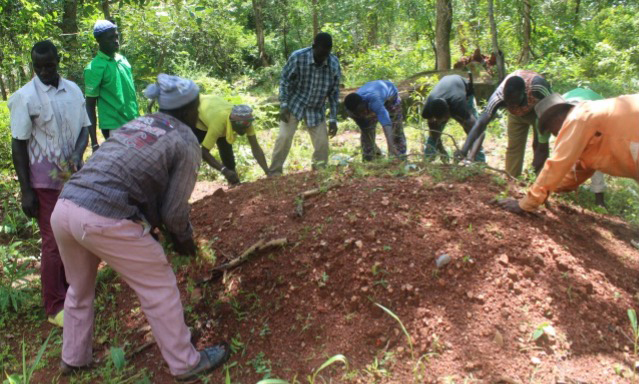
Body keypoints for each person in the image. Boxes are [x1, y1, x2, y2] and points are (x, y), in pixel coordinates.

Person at [50, 74, 229, 381]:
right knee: (158, 284)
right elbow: (174, 212)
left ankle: (73, 359)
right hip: (103, 217)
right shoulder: (186, 140)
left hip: (65, 209)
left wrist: (152, 227)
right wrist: (185, 242)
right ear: (191, 109)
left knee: (79, 290)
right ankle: (186, 363)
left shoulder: (139, 123)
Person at [8, 40, 90, 327]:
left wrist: (78, 154)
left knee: (74, 235)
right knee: (53, 241)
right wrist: (25, 191)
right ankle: (54, 305)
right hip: (43, 183)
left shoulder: (74, 91)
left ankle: (72, 290)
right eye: (38, 66)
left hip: (72, 178)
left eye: (49, 65)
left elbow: (84, 130)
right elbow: (18, 146)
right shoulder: (25, 97)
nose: (44, 71)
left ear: (58, 61)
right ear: (33, 66)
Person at [497, 93, 639, 214]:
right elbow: (579, 171)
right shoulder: (589, 122)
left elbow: (558, 163)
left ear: (557, 119)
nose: (555, 135)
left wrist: (526, 204)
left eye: (551, 130)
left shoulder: (578, 118)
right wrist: (546, 191)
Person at [269, 32, 341, 175]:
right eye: (321, 54)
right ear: (314, 47)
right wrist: (283, 104)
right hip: (295, 104)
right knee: (283, 138)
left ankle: (319, 173)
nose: (323, 58)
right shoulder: (298, 57)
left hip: (316, 108)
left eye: (326, 54)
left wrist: (333, 118)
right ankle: (274, 173)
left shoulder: (333, 64)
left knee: (322, 145)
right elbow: (284, 80)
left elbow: (334, 93)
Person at [458, 70, 552, 177]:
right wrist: (464, 150)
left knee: (538, 144)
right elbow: (480, 123)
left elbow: (552, 107)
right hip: (515, 116)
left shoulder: (537, 87)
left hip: (538, 111)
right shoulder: (499, 96)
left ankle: (538, 179)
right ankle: (511, 180)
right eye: (508, 103)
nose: (512, 104)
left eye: (514, 101)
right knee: (514, 147)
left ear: (524, 92)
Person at [85, 20, 139, 151]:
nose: (116, 41)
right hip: (114, 126)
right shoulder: (94, 68)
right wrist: (94, 143)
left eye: (116, 36)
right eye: (111, 38)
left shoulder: (122, 60)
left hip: (134, 121)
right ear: (99, 40)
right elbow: (89, 105)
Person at [195, 95, 268, 184]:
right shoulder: (219, 123)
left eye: (246, 127)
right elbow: (204, 152)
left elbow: (255, 147)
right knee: (190, 150)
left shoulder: (246, 122)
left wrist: (268, 172)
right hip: (197, 118)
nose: (244, 130)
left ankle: (234, 184)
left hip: (215, 112)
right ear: (233, 123)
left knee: (227, 155)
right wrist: (223, 170)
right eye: (241, 128)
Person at [421, 74, 485, 162]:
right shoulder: (428, 109)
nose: (443, 121)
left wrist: (465, 152)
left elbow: (480, 132)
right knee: (434, 133)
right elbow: (433, 131)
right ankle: (427, 161)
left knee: (472, 131)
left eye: (444, 118)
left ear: (449, 111)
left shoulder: (459, 104)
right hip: (447, 89)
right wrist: (441, 151)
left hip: (464, 91)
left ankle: (479, 162)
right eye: (439, 120)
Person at [561, 88, 607, 207]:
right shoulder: (563, 111)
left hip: (599, 120)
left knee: (596, 157)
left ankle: (599, 200)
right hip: (573, 113)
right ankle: (564, 186)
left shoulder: (598, 110)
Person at [343, 80, 406, 161]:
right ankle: (369, 161)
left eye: (363, 111)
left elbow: (386, 123)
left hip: (391, 97)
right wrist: (375, 148)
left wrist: (391, 147)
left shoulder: (373, 100)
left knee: (396, 129)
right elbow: (365, 129)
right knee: (367, 136)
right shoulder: (350, 111)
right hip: (372, 97)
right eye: (359, 113)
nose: (363, 114)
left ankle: (399, 158)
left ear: (364, 103)